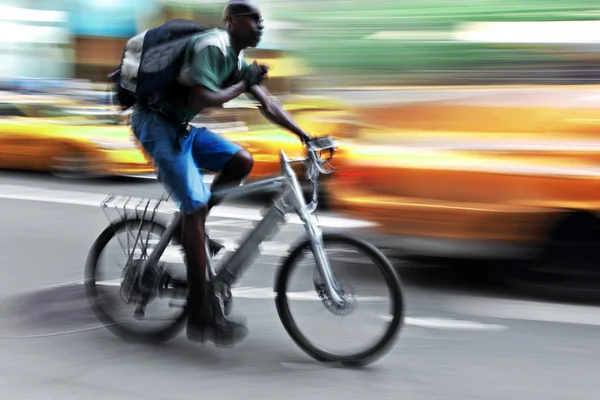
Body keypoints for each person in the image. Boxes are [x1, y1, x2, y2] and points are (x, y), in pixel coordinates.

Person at [131, 0, 311, 347]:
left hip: (179, 126)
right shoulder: (212, 46)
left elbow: (268, 104)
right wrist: (243, 85)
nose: (261, 25)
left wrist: (305, 136)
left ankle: (191, 228)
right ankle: (201, 313)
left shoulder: (235, 57)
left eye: (262, 20)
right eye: (254, 18)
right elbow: (204, 96)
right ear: (232, 20)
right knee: (196, 206)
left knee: (240, 161)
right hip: (155, 124)